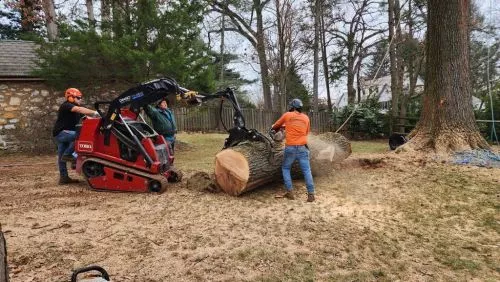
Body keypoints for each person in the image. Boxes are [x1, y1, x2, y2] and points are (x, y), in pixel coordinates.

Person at [271, 98, 315, 202]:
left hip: (290, 147)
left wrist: (277, 128)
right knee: (307, 170)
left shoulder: (287, 115)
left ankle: (290, 192)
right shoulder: (306, 118)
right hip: (303, 147)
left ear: (292, 107)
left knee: (286, 168)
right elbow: (306, 132)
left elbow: (276, 126)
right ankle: (311, 194)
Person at [52, 88, 99, 185]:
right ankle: (69, 154)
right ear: (70, 97)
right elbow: (79, 109)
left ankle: (64, 178)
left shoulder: (77, 111)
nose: (80, 99)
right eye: (78, 97)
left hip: (66, 134)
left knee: (61, 157)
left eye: (81, 97)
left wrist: (101, 119)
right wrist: (94, 112)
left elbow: (87, 118)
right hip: (61, 133)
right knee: (81, 135)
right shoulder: (66, 105)